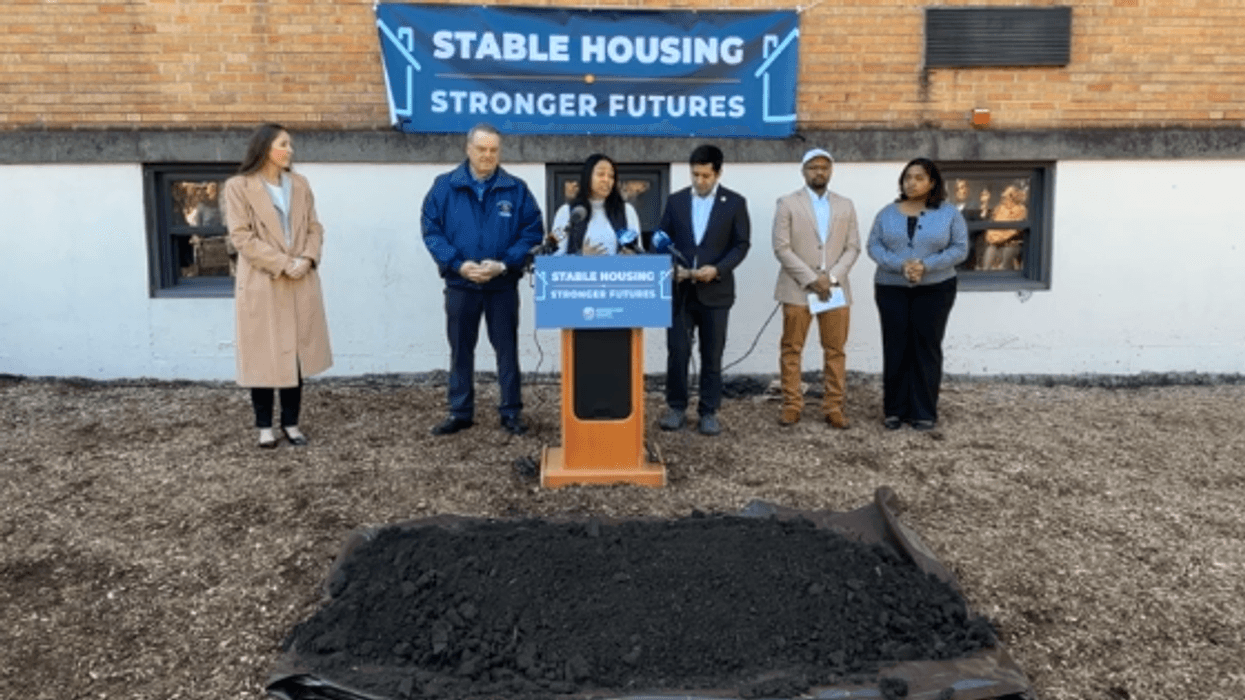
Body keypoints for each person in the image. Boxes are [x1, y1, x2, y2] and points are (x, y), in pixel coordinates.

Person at [421, 123, 544, 436]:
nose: (487, 156)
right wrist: (458, 265)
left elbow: (531, 232)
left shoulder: (516, 189)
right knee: (461, 349)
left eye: (493, 150)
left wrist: (504, 264)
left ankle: (511, 412)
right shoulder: (444, 187)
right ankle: (460, 412)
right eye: (481, 149)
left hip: (501, 285)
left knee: (507, 350)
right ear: (468, 149)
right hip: (461, 284)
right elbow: (432, 230)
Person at [223, 123, 333, 448]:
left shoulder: (300, 184)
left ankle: (291, 423)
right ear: (265, 147)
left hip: (300, 280)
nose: (290, 150)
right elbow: (241, 236)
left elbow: (315, 227)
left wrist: (308, 259)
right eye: (284, 143)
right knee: (263, 353)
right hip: (263, 281)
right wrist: (285, 263)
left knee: (295, 353)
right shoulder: (238, 187)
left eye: (291, 144)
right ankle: (264, 427)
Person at [866, 157, 969, 431]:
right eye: (907, 177)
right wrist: (901, 265)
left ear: (932, 182)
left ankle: (923, 410)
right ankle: (895, 410)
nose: (912, 182)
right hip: (891, 287)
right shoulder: (886, 213)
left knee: (926, 347)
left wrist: (926, 266)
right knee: (896, 345)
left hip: (936, 288)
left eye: (919, 177)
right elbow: (873, 246)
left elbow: (960, 248)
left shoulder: (949, 214)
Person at [656, 145, 751, 436]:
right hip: (681, 291)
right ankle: (675, 407)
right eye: (695, 174)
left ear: (718, 173)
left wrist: (718, 269)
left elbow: (741, 244)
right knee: (678, 351)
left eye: (706, 175)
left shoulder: (734, 203)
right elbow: (661, 239)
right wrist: (672, 267)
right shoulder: (675, 202)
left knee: (712, 354)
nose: (700, 181)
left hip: (716, 293)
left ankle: (709, 411)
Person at [771, 148, 860, 429]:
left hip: (834, 288)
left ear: (831, 170)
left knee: (835, 349)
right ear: (803, 171)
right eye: (813, 167)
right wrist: (812, 279)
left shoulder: (845, 205)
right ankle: (792, 404)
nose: (819, 172)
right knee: (792, 348)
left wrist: (831, 278)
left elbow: (853, 246)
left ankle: (834, 405)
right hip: (798, 287)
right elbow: (781, 248)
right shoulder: (787, 203)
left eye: (824, 167)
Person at [549, 153, 641, 256]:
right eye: (601, 174)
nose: (606, 180)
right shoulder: (566, 212)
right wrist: (580, 256)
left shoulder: (627, 211)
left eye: (611, 176)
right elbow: (554, 258)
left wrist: (631, 256)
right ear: (588, 176)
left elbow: (639, 254)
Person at [981, 183, 1028, 270]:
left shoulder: (1021, 210)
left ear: (1013, 197)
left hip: (1011, 243)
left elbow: (1013, 231)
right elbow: (992, 228)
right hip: (995, 243)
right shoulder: (999, 208)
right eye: (1003, 197)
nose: (1004, 199)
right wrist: (994, 237)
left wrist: (999, 236)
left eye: (1007, 197)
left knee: (1006, 261)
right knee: (987, 260)